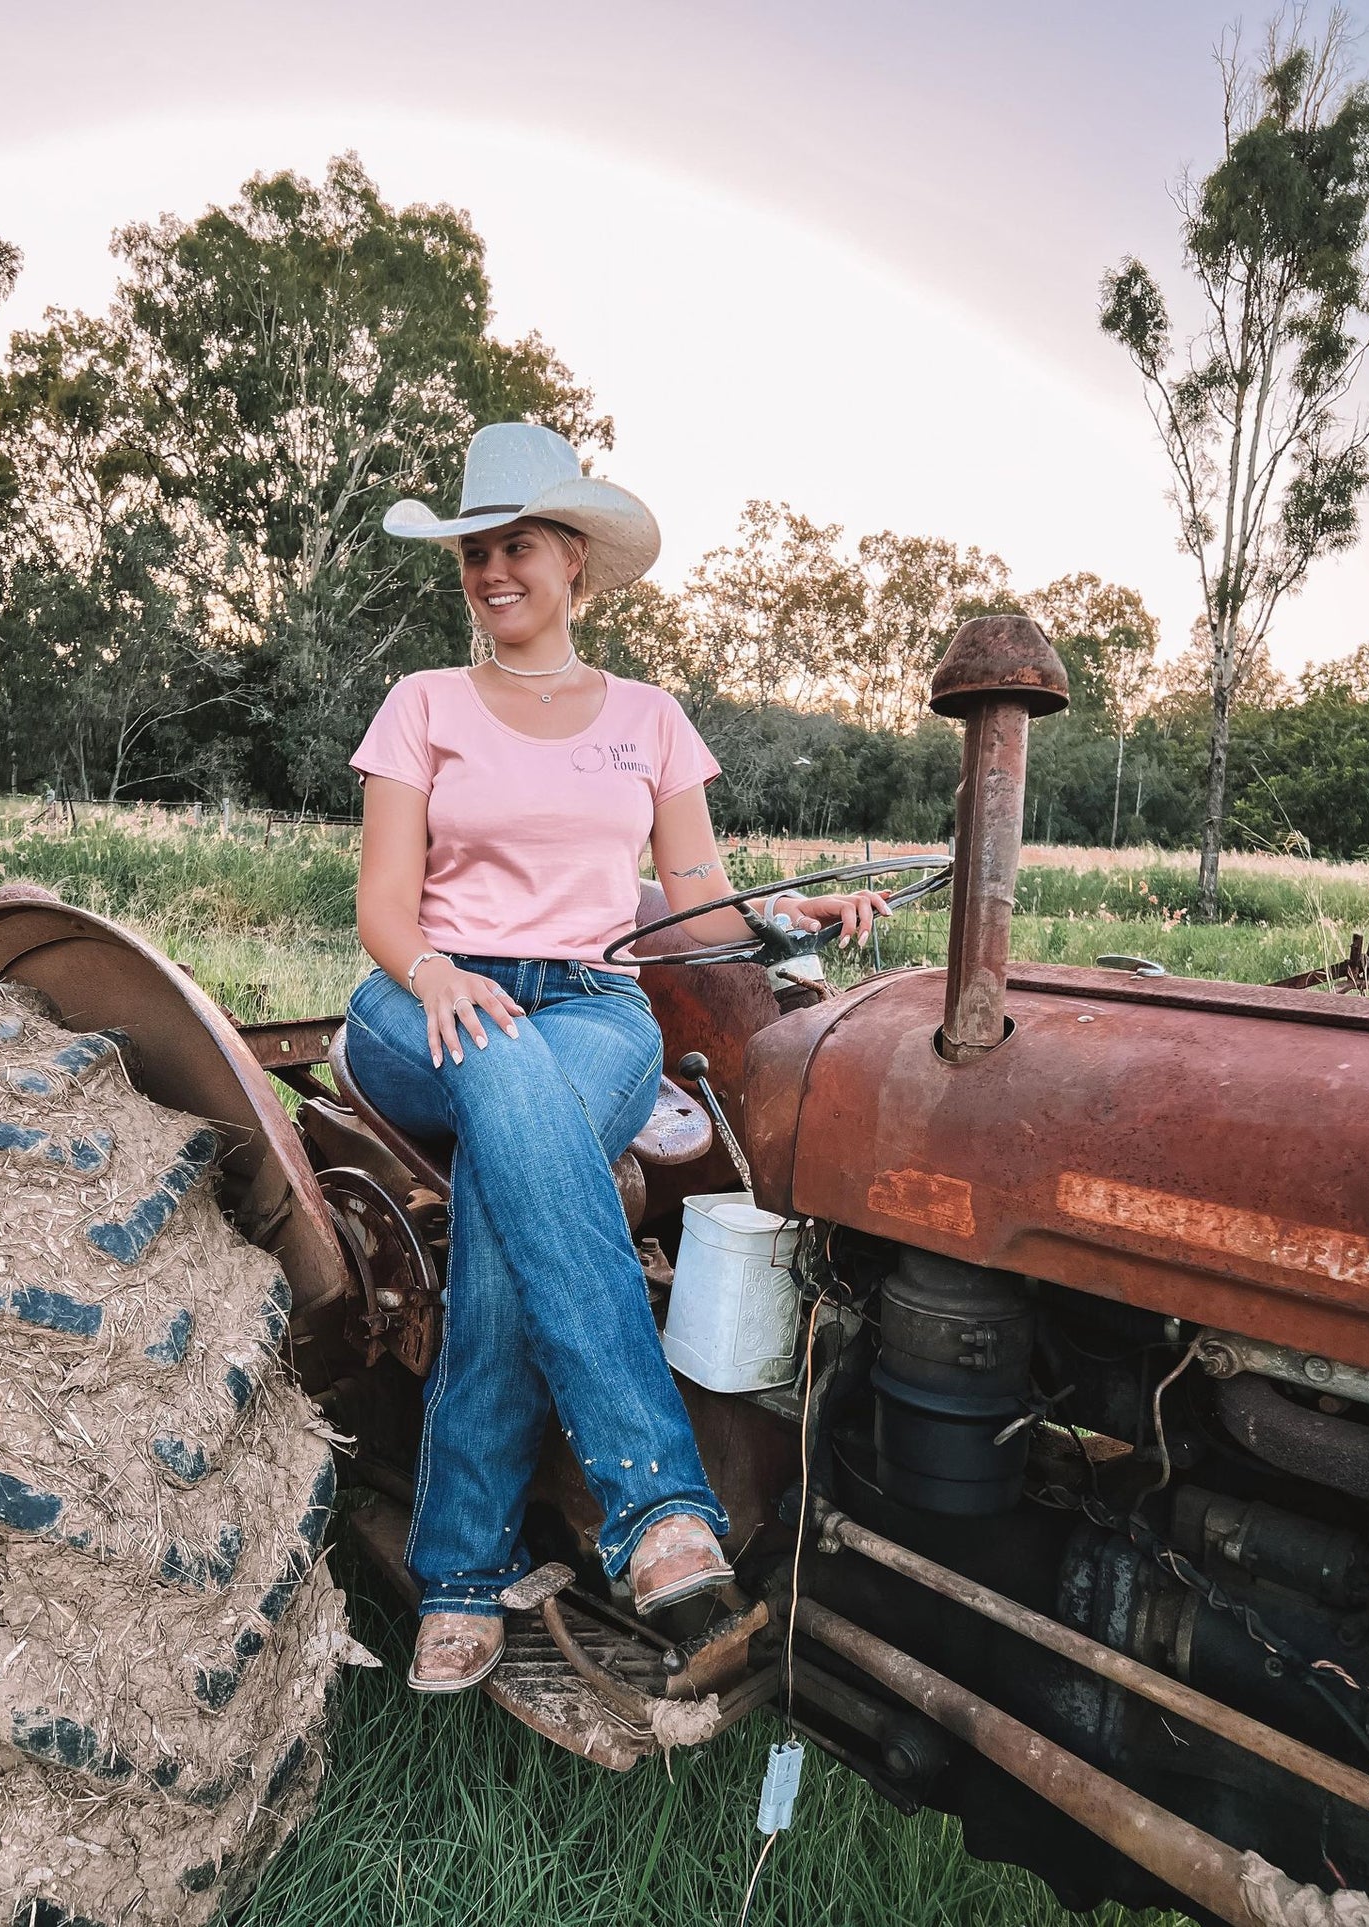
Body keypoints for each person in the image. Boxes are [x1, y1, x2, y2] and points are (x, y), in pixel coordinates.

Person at [346, 423, 889, 1693]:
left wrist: (774, 917)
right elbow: (382, 908)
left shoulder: (648, 719)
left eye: (516, 545)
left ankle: (462, 1570)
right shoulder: (419, 704)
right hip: (420, 1002)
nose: (491, 570)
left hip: (594, 1010)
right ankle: (659, 1515)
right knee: (503, 1080)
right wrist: (438, 977)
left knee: (510, 1169)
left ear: (574, 562)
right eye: (474, 550)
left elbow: (687, 903)